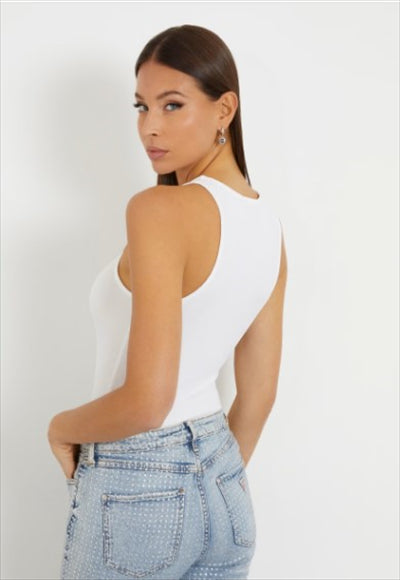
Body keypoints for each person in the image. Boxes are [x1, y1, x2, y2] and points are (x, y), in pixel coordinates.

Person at [47, 24, 287, 580]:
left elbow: (147, 401)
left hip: (137, 480)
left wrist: (61, 428)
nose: (149, 127)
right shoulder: (267, 225)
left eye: (172, 105)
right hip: (227, 487)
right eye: (142, 106)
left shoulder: (157, 211)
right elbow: (258, 395)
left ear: (224, 109)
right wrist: (207, 483)